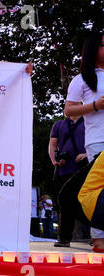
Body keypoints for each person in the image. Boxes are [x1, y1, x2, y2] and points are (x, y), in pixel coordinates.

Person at [62, 31, 104, 252]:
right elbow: (69, 110)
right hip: (98, 141)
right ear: (92, 49)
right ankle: (99, 240)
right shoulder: (82, 79)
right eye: (103, 44)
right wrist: (95, 105)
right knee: (97, 190)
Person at [49, 116, 89, 246]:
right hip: (64, 170)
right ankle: (64, 238)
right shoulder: (59, 124)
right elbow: (53, 144)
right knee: (65, 203)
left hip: (86, 168)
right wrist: (55, 159)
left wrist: (88, 155)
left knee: (88, 202)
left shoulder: (90, 120)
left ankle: (96, 237)